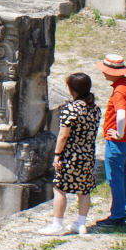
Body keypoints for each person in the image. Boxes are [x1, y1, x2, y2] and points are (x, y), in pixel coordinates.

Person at [38, 72, 100, 235]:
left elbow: (64, 135)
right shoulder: (95, 109)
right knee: (84, 190)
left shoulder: (71, 109)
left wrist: (57, 155)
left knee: (60, 188)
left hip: (71, 155)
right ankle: (80, 224)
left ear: (73, 89)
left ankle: (57, 224)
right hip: (87, 155)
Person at [93, 54, 126, 228]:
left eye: (105, 71)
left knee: (114, 178)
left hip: (117, 142)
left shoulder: (119, 90)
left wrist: (119, 134)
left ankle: (117, 216)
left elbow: (120, 115)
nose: (103, 73)